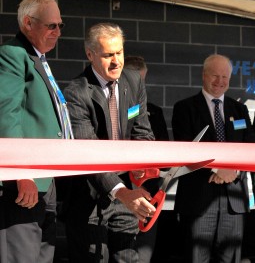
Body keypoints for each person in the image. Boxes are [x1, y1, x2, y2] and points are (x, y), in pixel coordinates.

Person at [62, 22, 156, 263]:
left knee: (127, 257)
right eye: (107, 55)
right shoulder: (76, 92)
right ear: (90, 54)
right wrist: (122, 192)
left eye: (119, 52)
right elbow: (88, 152)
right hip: (89, 198)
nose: (116, 61)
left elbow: (143, 132)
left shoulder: (133, 81)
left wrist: (141, 169)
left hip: (127, 193)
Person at [0, 0, 73, 263]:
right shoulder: (13, 54)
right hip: (25, 182)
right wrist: (22, 172)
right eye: (51, 25)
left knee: (42, 256)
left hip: (46, 179)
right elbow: (7, 114)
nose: (58, 32)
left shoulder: (39, 57)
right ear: (28, 23)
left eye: (60, 25)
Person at [171, 54, 255, 263]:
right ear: (203, 75)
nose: (220, 82)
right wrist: (218, 169)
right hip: (198, 199)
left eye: (224, 77)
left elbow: (249, 146)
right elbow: (186, 148)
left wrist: (233, 171)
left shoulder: (240, 110)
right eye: (215, 76)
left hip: (233, 202)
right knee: (196, 258)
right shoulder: (185, 108)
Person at [124, 55, 169, 263]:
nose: (141, 86)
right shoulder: (113, 108)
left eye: (144, 80)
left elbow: (164, 154)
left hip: (149, 190)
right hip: (120, 190)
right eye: (137, 81)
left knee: (144, 251)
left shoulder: (155, 112)